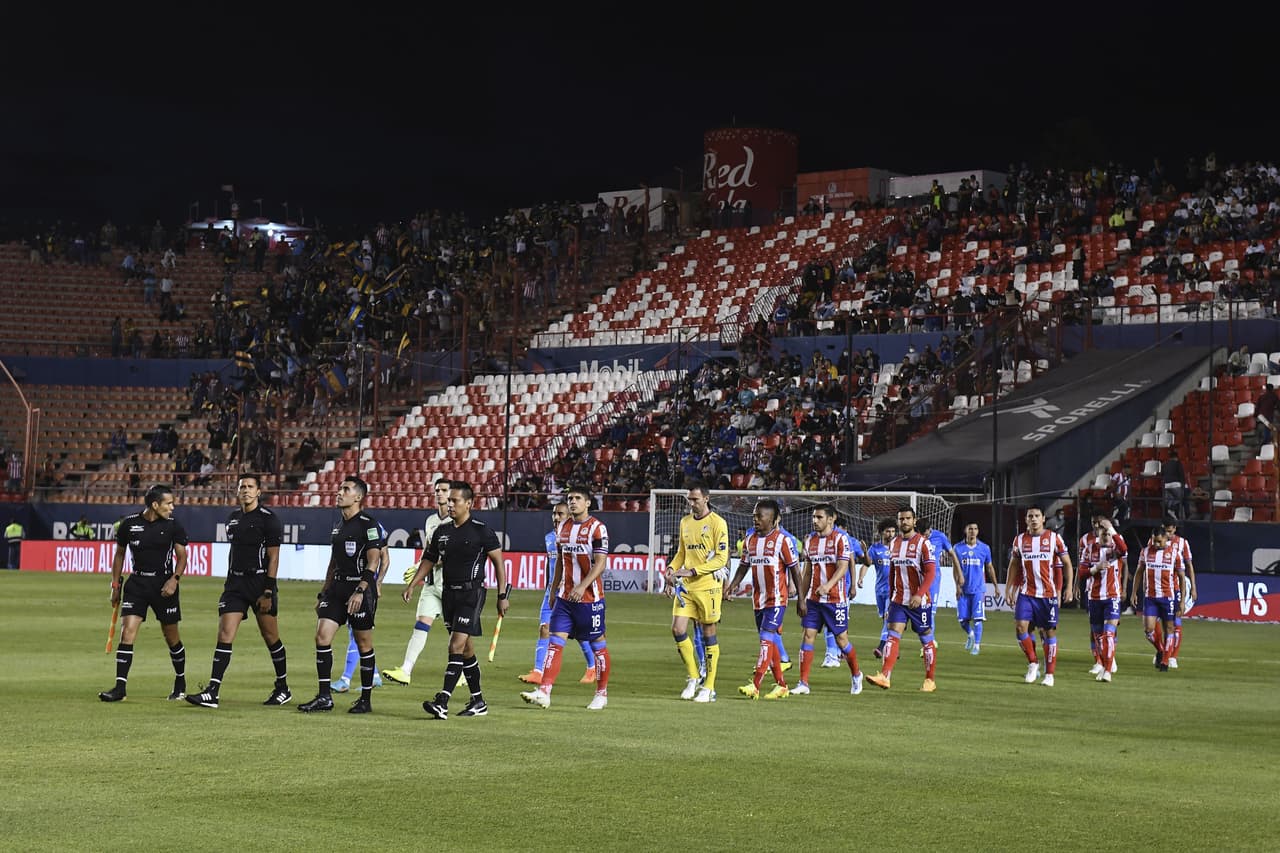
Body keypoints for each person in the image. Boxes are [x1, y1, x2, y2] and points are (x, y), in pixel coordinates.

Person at [405, 481, 509, 720]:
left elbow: (499, 564)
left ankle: (443, 700)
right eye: (449, 500)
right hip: (448, 595)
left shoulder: (482, 531)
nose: (450, 504)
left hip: (471, 595)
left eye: (455, 501)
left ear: (469, 503)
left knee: (454, 646)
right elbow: (429, 559)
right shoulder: (442, 531)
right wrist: (413, 584)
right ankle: (478, 700)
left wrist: (502, 595)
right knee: (466, 650)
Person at [185, 475, 291, 708]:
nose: (245, 490)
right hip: (235, 585)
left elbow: (274, 556)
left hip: (260, 584)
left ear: (259, 492)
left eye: (250, 487)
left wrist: (268, 590)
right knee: (225, 634)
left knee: (271, 637)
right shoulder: (232, 518)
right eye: (242, 486)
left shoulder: (269, 519)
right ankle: (212, 691)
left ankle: (283, 687)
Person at [298, 477, 387, 714]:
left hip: (360, 591)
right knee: (322, 637)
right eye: (340, 488)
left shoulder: (368, 524)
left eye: (345, 489)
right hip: (337, 589)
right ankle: (325, 697)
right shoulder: (338, 525)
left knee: (363, 643)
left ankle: (366, 700)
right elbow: (333, 562)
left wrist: (360, 591)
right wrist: (323, 592)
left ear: (358, 497)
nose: (339, 492)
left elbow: (373, 561)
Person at [520, 486, 612, 710]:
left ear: (588, 502)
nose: (572, 502)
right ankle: (545, 691)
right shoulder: (563, 527)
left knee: (598, 644)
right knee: (555, 641)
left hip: (590, 599)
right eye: (570, 498)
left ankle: (601, 693)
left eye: (577, 498)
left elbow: (601, 563)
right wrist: (553, 590)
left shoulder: (597, 528)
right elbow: (561, 560)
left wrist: (582, 585)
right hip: (564, 598)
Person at [99, 485, 189, 702]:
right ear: (155, 505)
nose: (172, 507)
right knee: (127, 632)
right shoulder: (129, 524)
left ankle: (180, 680)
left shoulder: (173, 525)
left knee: (171, 636)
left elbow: (182, 556)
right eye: (168, 503)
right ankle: (120, 688)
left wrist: (174, 580)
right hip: (137, 584)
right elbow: (119, 555)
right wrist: (115, 585)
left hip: (163, 585)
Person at [726, 499, 800, 700]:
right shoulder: (749, 540)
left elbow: (795, 569)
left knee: (766, 639)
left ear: (773, 519)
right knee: (773, 643)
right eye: (754, 516)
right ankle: (782, 685)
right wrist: (732, 586)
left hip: (777, 600)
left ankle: (755, 684)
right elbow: (743, 566)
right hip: (758, 601)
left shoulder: (782, 541)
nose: (756, 519)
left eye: (760, 516)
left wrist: (802, 599)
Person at [382, 478, 453, 686]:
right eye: (437, 490)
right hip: (432, 584)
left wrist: (422, 569)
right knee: (421, 624)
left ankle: (462, 673)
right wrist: (417, 573)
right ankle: (406, 670)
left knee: (456, 632)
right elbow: (429, 551)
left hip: (451, 584)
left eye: (444, 490)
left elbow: (448, 555)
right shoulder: (431, 521)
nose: (439, 493)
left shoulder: (456, 522)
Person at [518, 502, 597, 686]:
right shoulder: (549, 538)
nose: (555, 517)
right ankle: (538, 672)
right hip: (552, 592)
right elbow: (552, 567)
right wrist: (550, 589)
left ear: (569, 516)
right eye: (554, 514)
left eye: (560, 514)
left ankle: (592, 667)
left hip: (572, 593)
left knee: (579, 634)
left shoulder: (577, 538)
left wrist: (583, 588)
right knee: (544, 628)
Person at [664, 483, 729, 703]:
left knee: (709, 633)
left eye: (695, 499)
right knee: (677, 628)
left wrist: (692, 570)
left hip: (708, 586)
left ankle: (709, 687)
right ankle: (693, 677)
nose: (691, 503)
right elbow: (681, 552)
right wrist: (672, 568)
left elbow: (721, 559)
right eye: (689, 499)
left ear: (706, 499)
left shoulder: (718, 523)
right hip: (687, 587)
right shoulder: (685, 522)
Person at [792, 503, 864, 696]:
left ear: (831, 519)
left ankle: (856, 675)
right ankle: (803, 683)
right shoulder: (810, 541)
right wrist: (802, 597)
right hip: (814, 600)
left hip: (835, 599)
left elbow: (842, 567)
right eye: (813, 517)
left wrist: (828, 586)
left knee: (842, 641)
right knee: (808, 635)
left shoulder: (841, 539)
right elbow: (807, 572)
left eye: (819, 517)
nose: (815, 521)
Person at [865, 506, 938, 692]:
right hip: (899, 600)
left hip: (919, 602)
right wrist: (890, 599)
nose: (904, 522)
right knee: (892, 634)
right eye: (901, 519)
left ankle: (930, 680)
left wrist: (920, 594)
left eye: (907, 518)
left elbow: (931, 573)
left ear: (914, 521)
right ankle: (885, 676)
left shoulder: (923, 543)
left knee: (926, 638)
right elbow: (893, 574)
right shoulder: (894, 544)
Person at [1005, 506, 1075, 687]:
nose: (1033, 519)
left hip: (1048, 595)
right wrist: (1008, 589)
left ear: (1043, 518)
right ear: (1026, 519)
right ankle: (1033, 663)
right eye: (1030, 516)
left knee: (1048, 632)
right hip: (1026, 593)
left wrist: (1068, 588)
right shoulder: (1019, 540)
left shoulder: (1054, 538)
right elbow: (1014, 565)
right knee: (1021, 628)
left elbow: (1067, 564)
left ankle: (1049, 674)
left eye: (1037, 516)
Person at [1075, 514, 1127, 683]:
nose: (1106, 536)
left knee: (1108, 634)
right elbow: (1082, 572)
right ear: (1098, 534)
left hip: (1112, 597)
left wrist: (1111, 528)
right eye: (1103, 533)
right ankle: (1104, 665)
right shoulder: (1089, 549)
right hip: (1094, 597)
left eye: (1108, 534)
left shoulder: (1116, 549)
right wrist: (1094, 569)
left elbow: (1124, 549)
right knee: (1098, 636)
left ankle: (1108, 670)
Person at [1131, 526, 1185, 672]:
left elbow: (1181, 577)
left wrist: (1182, 600)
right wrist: (1134, 592)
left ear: (1166, 540)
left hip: (1168, 597)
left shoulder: (1174, 554)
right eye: (1154, 541)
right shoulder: (1146, 552)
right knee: (1148, 630)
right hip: (1151, 597)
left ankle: (1166, 661)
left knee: (1169, 628)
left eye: (1159, 542)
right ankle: (1161, 650)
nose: (1156, 544)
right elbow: (1139, 572)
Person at [952, 522, 996, 655]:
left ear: (978, 531)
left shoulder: (984, 548)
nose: (973, 531)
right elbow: (955, 569)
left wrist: (995, 585)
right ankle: (970, 634)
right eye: (970, 528)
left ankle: (977, 645)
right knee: (963, 620)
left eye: (975, 529)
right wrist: (957, 587)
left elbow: (989, 567)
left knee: (978, 618)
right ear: (966, 530)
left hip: (978, 589)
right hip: (964, 590)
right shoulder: (958, 548)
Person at [1161, 517, 1198, 669]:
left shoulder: (1182, 543)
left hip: (1176, 587)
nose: (1167, 535)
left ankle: (1173, 656)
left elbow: (1189, 565)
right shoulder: (1156, 541)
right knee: (1160, 623)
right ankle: (1163, 651)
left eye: (1170, 531)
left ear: (1175, 529)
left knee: (1175, 621)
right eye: (1165, 531)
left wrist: (1193, 587)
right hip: (1160, 588)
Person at [858, 518, 896, 658]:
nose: (891, 534)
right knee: (884, 618)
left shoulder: (898, 548)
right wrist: (861, 578)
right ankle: (892, 647)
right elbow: (867, 564)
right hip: (880, 589)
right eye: (888, 531)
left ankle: (881, 647)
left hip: (894, 590)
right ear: (881, 533)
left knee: (888, 618)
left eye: (893, 531)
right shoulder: (876, 549)